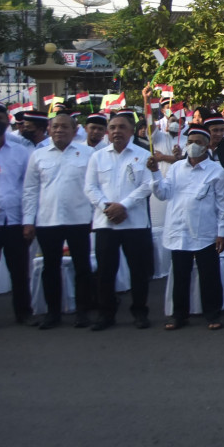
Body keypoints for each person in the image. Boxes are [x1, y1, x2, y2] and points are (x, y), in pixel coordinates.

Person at [148, 124, 224, 330]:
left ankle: (213, 314)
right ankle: (179, 315)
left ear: (206, 146)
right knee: (180, 275)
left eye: (198, 143)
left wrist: (222, 233)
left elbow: (222, 204)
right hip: (180, 229)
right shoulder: (176, 168)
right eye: (190, 142)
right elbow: (163, 193)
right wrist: (155, 173)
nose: (193, 146)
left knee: (209, 275)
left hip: (205, 231)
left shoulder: (216, 171)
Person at [85, 109, 155, 330]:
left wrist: (123, 205)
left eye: (122, 127)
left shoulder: (142, 155)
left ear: (132, 131)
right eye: (113, 127)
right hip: (106, 223)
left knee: (138, 270)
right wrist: (107, 207)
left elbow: (147, 186)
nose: (117, 131)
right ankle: (106, 314)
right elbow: (90, 187)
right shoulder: (97, 156)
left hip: (134, 222)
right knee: (106, 271)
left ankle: (140, 312)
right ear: (108, 131)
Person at [23, 113, 95, 329]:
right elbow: (30, 190)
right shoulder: (38, 156)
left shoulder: (88, 154)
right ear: (48, 129)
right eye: (55, 127)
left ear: (75, 131)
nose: (59, 130)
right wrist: (28, 221)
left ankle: (82, 311)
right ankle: (53, 313)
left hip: (80, 218)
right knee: (50, 267)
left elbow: (95, 186)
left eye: (64, 127)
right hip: (48, 219)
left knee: (82, 267)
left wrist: (95, 216)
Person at [0, 103, 32, 325]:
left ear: (6, 121)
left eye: (0, 118)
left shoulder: (20, 151)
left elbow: (29, 189)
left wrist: (29, 221)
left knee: (19, 270)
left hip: (14, 220)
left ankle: (23, 313)